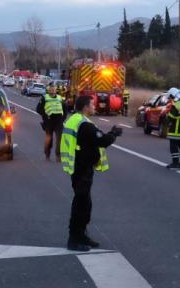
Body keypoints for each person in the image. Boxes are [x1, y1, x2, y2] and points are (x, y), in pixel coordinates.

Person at [60, 95, 122, 251]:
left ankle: (82, 235)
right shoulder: (85, 124)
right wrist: (114, 133)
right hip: (82, 168)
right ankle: (74, 239)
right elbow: (102, 140)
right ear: (86, 107)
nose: (94, 107)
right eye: (92, 104)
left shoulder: (75, 119)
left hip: (78, 166)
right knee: (81, 205)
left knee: (85, 204)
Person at [37, 85, 66, 161]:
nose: (52, 91)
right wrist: (45, 116)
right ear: (48, 90)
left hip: (59, 121)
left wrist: (63, 119)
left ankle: (58, 156)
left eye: (54, 90)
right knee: (49, 139)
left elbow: (65, 109)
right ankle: (47, 154)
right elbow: (38, 109)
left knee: (60, 139)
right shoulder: (44, 98)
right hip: (49, 121)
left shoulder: (60, 98)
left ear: (56, 90)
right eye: (51, 90)